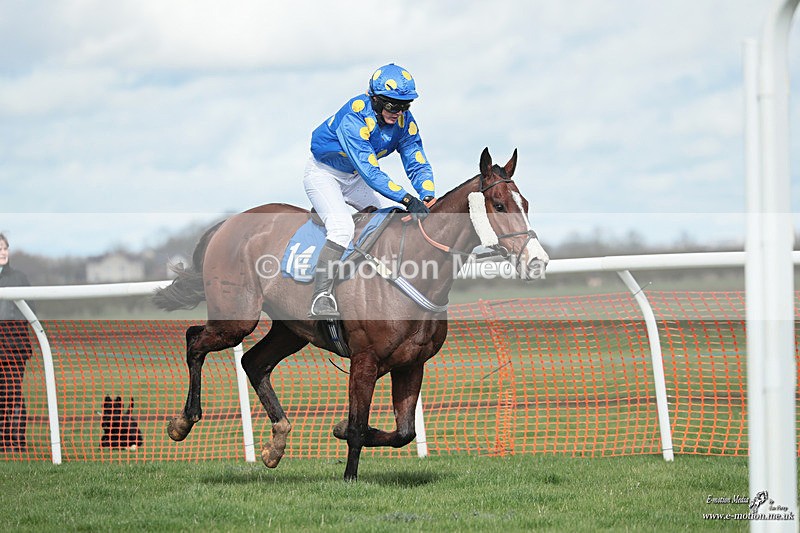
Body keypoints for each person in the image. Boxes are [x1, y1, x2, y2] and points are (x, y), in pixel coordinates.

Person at [304, 63, 436, 319]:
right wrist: (408, 199)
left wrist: (427, 193)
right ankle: (320, 295)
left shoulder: (405, 122)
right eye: (391, 105)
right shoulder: (354, 117)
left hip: (353, 177)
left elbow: (416, 160)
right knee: (343, 228)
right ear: (374, 99)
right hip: (323, 174)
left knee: (385, 221)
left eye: (404, 106)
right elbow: (371, 172)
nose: (397, 112)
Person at [0, 233, 33, 452]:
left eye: (5, 248)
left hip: (13, 348)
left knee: (12, 392)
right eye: (0, 249)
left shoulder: (19, 279)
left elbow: (30, 313)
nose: (3, 253)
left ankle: (14, 440)